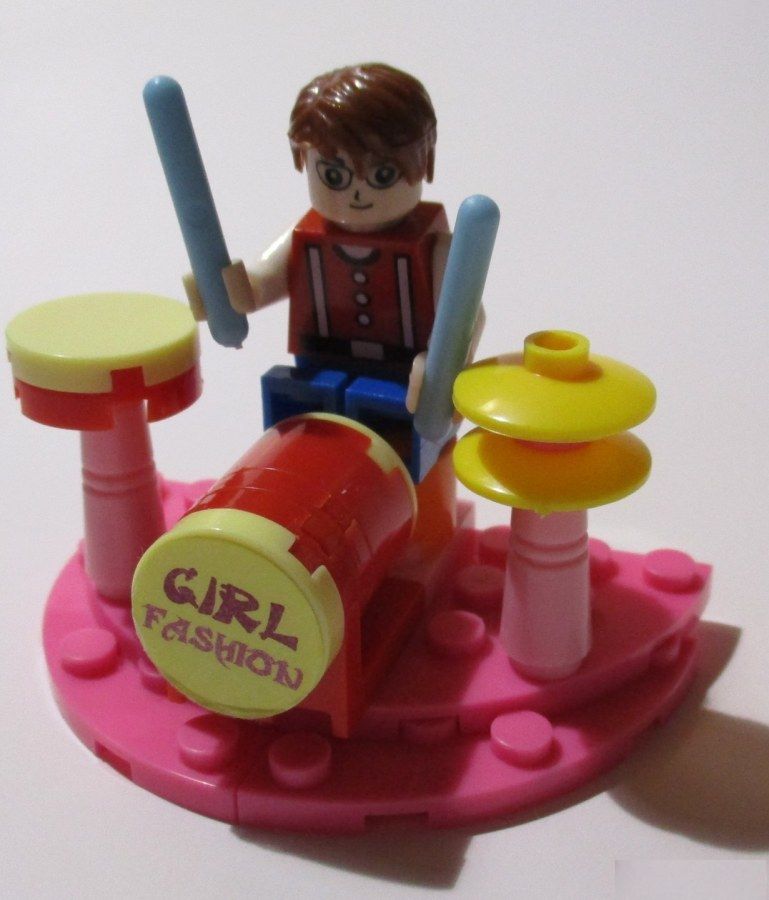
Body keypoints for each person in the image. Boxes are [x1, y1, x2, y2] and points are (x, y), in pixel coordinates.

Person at [186, 63, 482, 481]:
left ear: (424, 162)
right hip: (316, 370)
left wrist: (443, 363)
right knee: (303, 456)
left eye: (382, 174)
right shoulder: (306, 235)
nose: (357, 193)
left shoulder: (438, 247)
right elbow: (260, 282)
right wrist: (225, 289)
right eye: (333, 175)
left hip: (406, 386)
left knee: (414, 471)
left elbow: (468, 316)